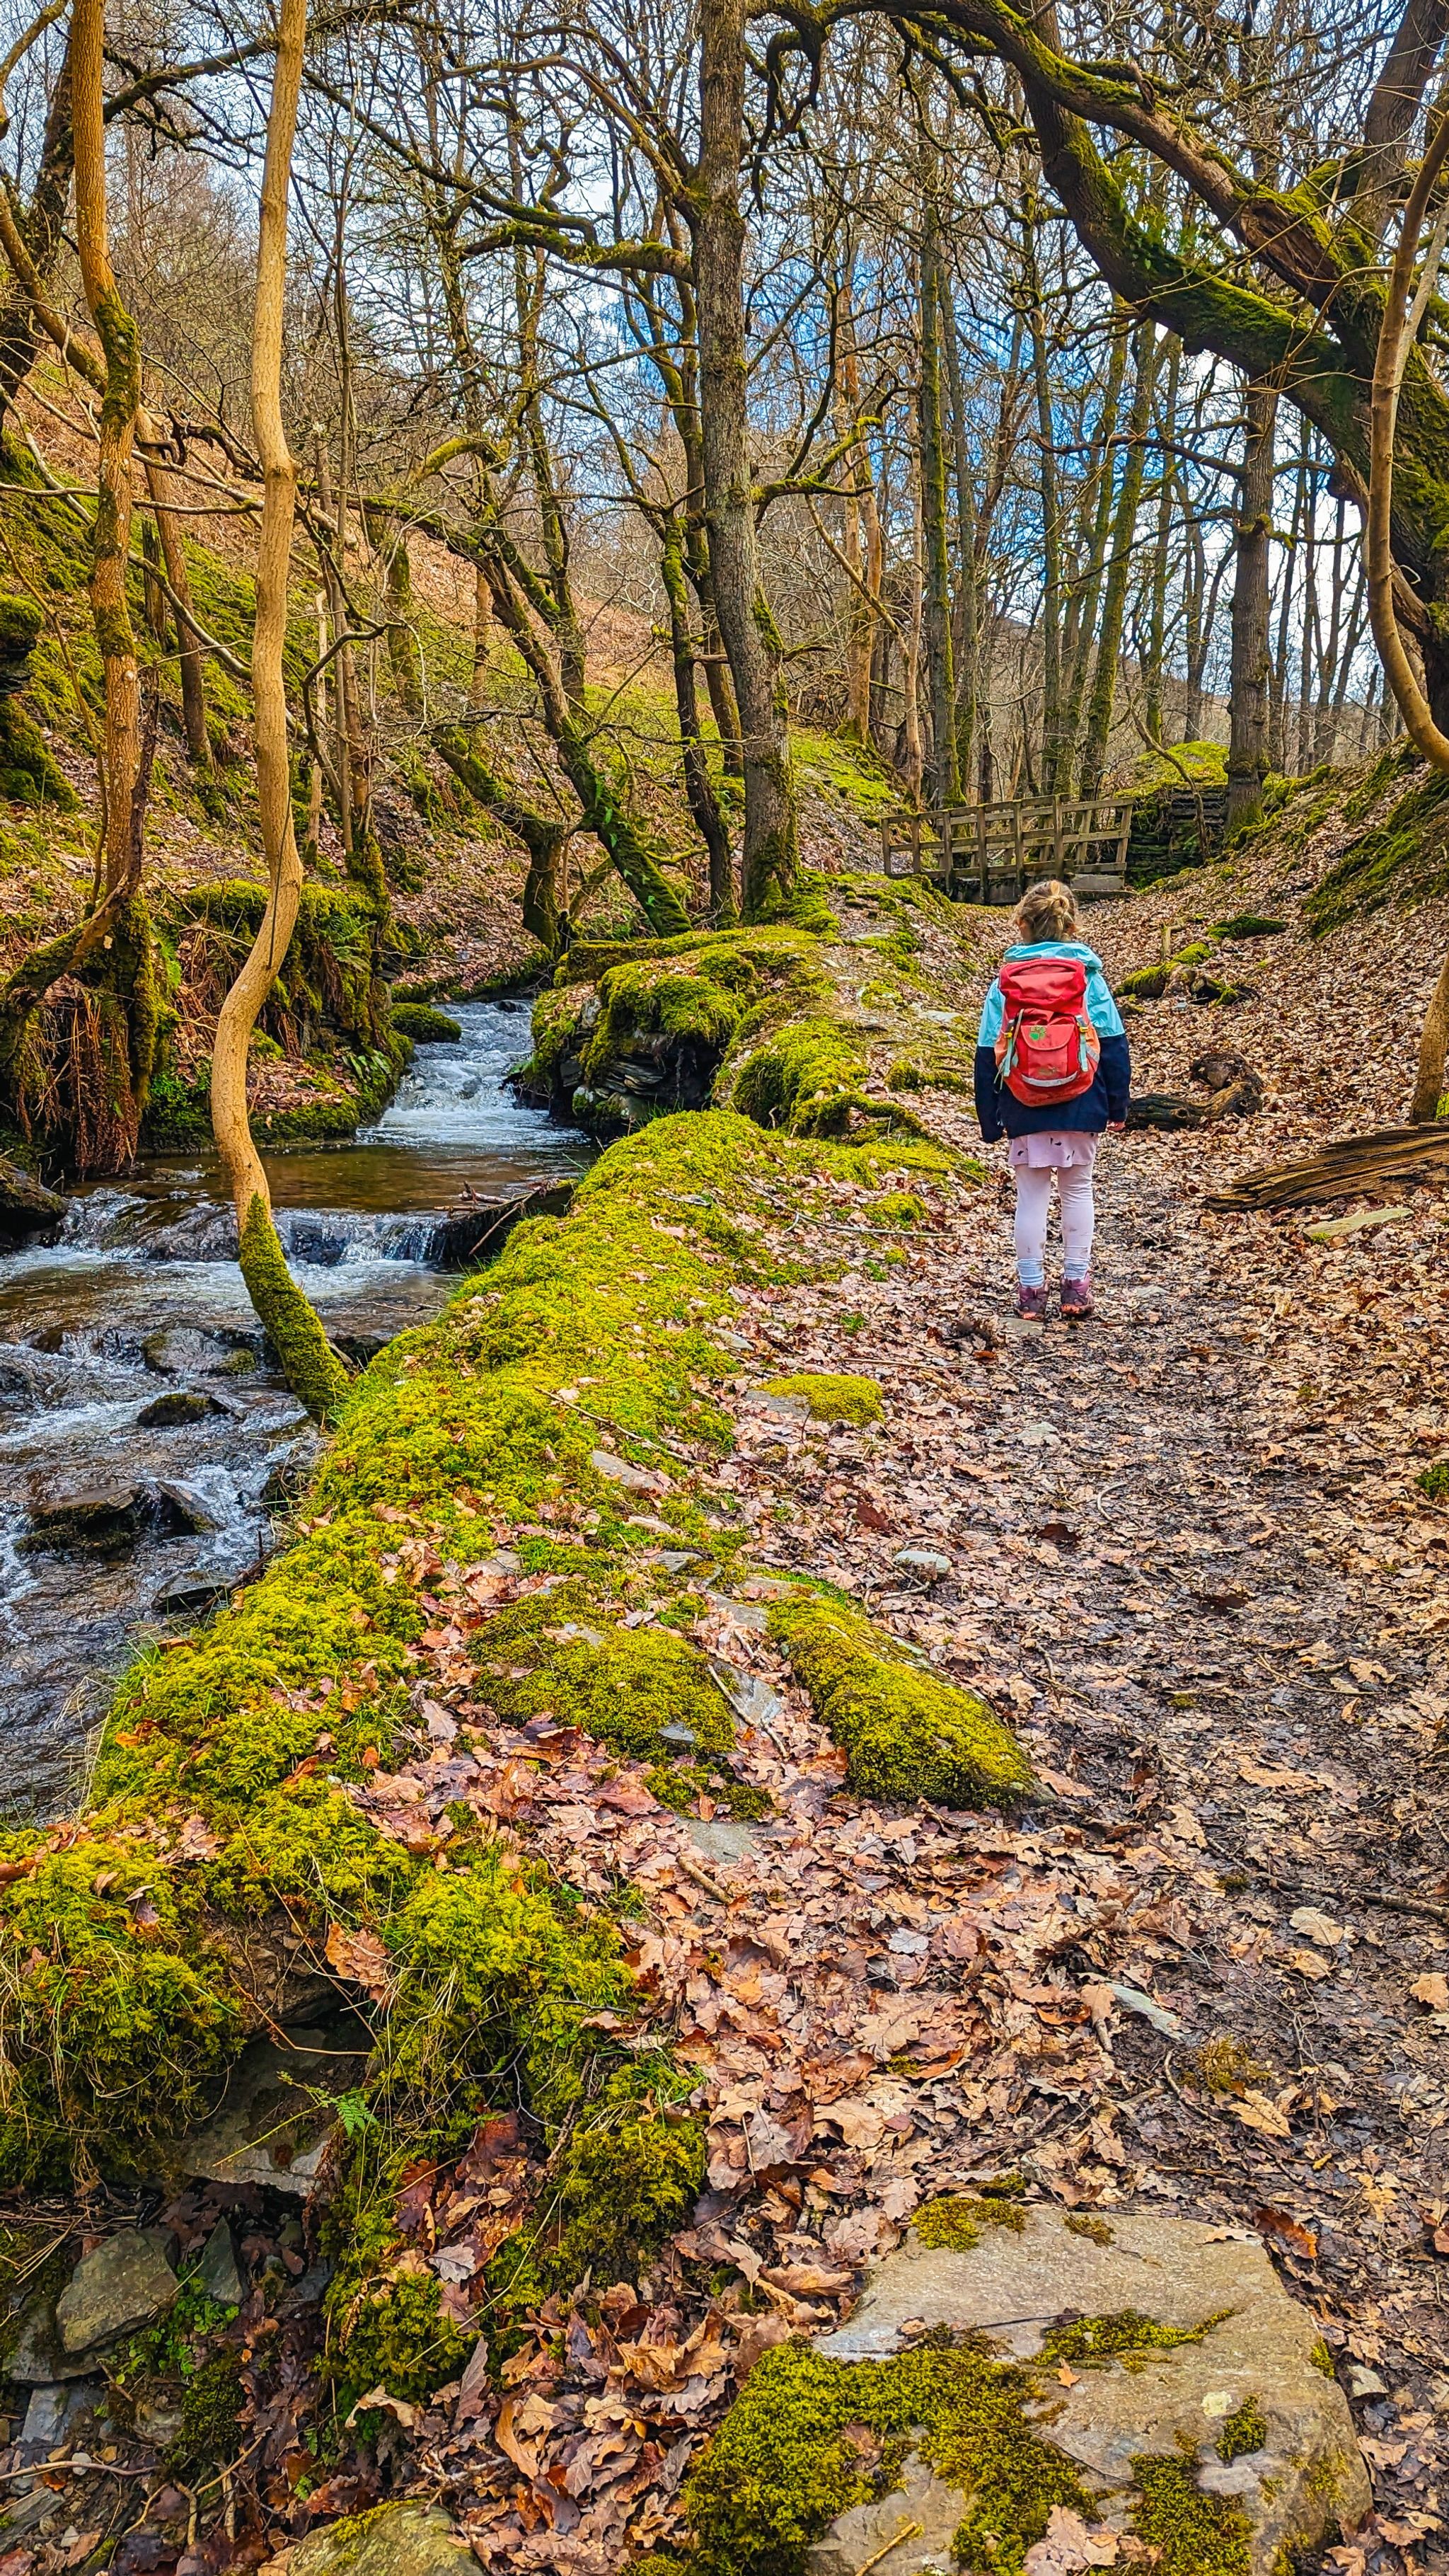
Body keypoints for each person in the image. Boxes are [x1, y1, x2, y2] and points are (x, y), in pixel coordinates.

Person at [973, 879, 1130, 1321]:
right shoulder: (1088, 977)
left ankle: (1030, 1293)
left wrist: (990, 1118)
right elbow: (1114, 1043)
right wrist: (1117, 1106)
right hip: (1082, 1097)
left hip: (1023, 1100)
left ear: (1020, 924)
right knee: (1078, 1189)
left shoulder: (1006, 982)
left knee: (1031, 1197)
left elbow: (988, 1052)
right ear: (1071, 925)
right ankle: (1076, 1288)